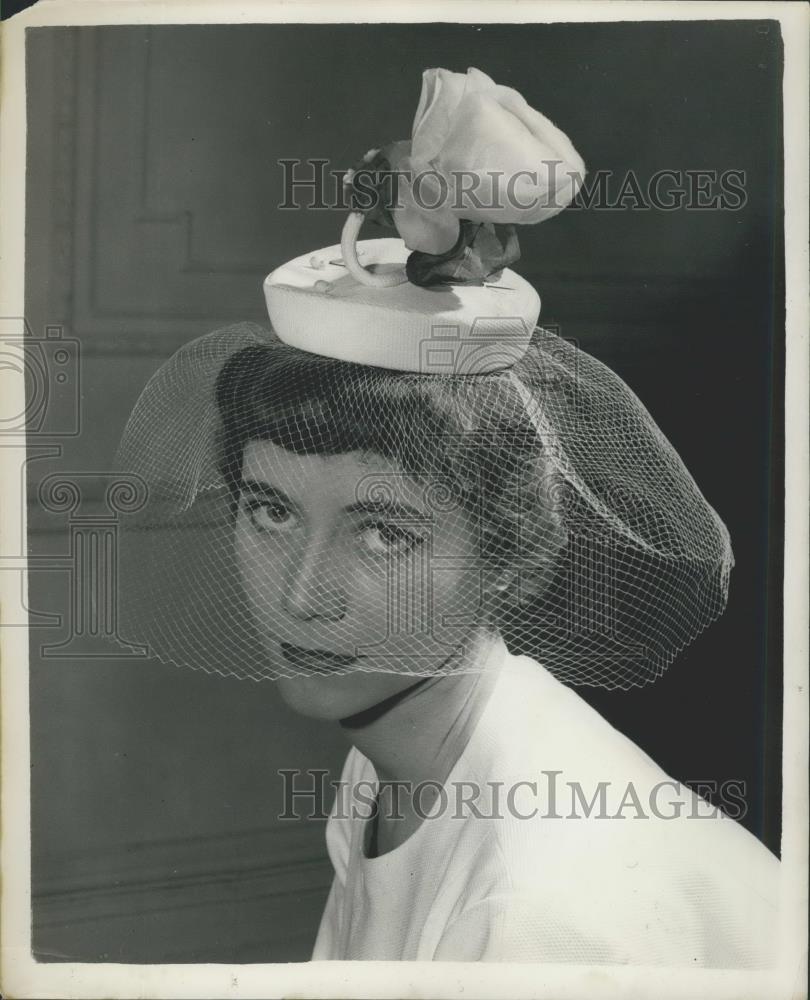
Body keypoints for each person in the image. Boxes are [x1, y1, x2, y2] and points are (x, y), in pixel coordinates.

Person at [114, 67, 780, 965]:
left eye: (385, 532)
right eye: (271, 511)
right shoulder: (389, 764)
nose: (304, 598)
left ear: (516, 550)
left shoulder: (538, 911)